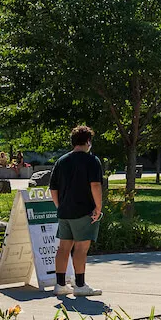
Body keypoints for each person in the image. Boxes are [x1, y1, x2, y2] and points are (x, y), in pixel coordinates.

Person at [47, 125, 104, 296]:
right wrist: (98, 207)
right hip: (84, 210)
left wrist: (60, 206)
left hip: (65, 211)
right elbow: (95, 185)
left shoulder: (61, 161)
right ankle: (80, 285)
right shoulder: (92, 160)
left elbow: (53, 188)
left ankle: (60, 284)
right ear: (88, 141)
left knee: (63, 248)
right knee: (81, 248)